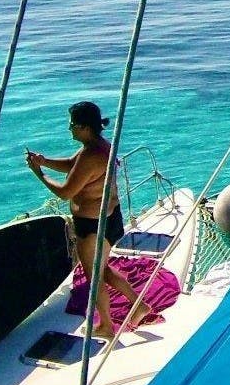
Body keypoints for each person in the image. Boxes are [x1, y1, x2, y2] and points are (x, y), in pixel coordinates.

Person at [27, 100, 143, 337]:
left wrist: (39, 174)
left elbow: (65, 192)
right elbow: (72, 165)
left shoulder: (91, 154)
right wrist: (44, 160)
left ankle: (106, 326)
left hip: (92, 226)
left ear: (84, 127)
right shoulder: (98, 146)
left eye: (72, 125)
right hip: (109, 219)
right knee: (103, 270)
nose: (69, 128)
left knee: (95, 277)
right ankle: (139, 305)